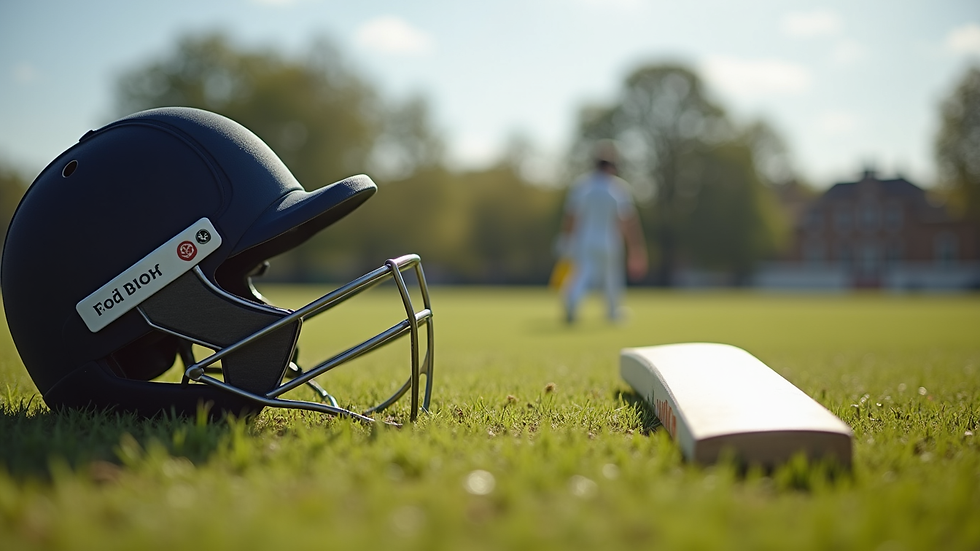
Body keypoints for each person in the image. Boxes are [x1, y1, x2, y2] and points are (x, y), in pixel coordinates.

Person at [558, 144, 647, 323]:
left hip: (585, 241)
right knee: (612, 278)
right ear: (612, 166)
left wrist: (566, 239)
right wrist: (636, 249)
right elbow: (628, 221)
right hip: (610, 241)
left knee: (582, 274)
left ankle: (572, 299)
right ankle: (613, 312)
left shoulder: (582, 185)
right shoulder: (618, 188)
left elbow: (571, 216)